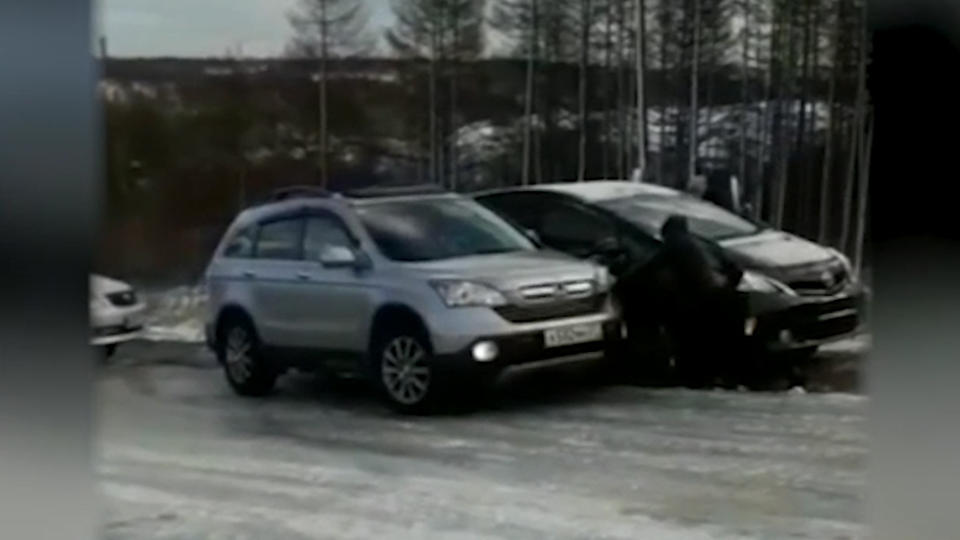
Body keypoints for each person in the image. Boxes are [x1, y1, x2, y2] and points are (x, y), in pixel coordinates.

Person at [634, 215, 747, 387]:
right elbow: (735, 268)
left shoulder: (675, 244)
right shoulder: (701, 243)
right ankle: (718, 375)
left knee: (688, 338)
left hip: (699, 299)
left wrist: (632, 277)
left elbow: (651, 267)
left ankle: (692, 376)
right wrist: (728, 284)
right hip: (722, 295)